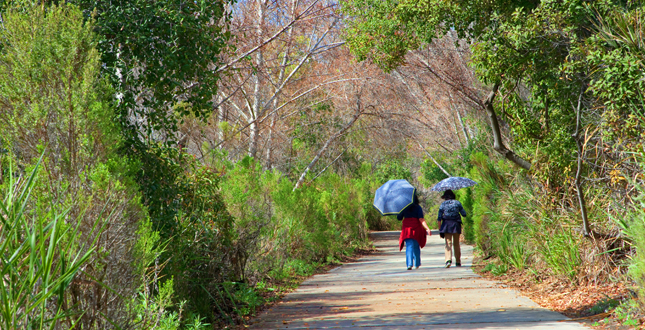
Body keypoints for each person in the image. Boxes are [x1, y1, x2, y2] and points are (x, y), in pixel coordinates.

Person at [397, 193, 431, 270]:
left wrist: (399, 210)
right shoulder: (418, 207)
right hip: (416, 228)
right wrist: (427, 228)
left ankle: (409, 264)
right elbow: (421, 219)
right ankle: (417, 263)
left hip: (407, 229)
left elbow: (399, 218)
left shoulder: (404, 207)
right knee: (416, 245)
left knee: (409, 246)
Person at [437, 189, 467, 268]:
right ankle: (458, 261)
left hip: (446, 224)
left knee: (448, 243)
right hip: (456, 224)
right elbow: (464, 214)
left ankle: (448, 260)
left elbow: (439, 218)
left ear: (445, 197)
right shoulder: (457, 203)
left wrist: (440, 230)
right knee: (456, 243)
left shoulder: (443, 205)